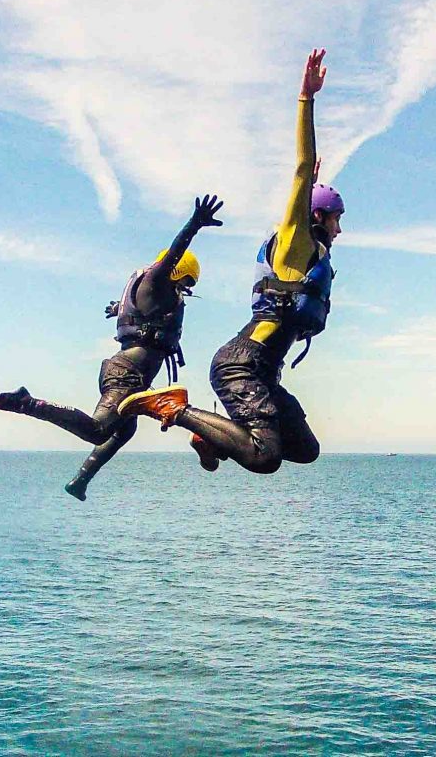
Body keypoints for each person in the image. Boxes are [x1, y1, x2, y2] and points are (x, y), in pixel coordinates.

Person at [122, 48, 339, 475]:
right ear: (317, 217)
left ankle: (210, 435)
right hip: (241, 364)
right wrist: (306, 98)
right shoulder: (295, 243)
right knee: (265, 458)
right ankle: (173, 408)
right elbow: (299, 169)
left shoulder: (314, 256)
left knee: (305, 449)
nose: (339, 229)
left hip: (264, 373)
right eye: (336, 219)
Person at [0, 194, 224, 499]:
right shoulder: (157, 279)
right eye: (185, 283)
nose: (184, 292)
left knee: (125, 430)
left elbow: (136, 312)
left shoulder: (149, 294)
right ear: (177, 272)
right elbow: (173, 254)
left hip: (129, 372)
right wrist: (195, 225)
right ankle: (27, 403)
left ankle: (80, 480)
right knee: (97, 429)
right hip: (127, 373)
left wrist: (117, 310)